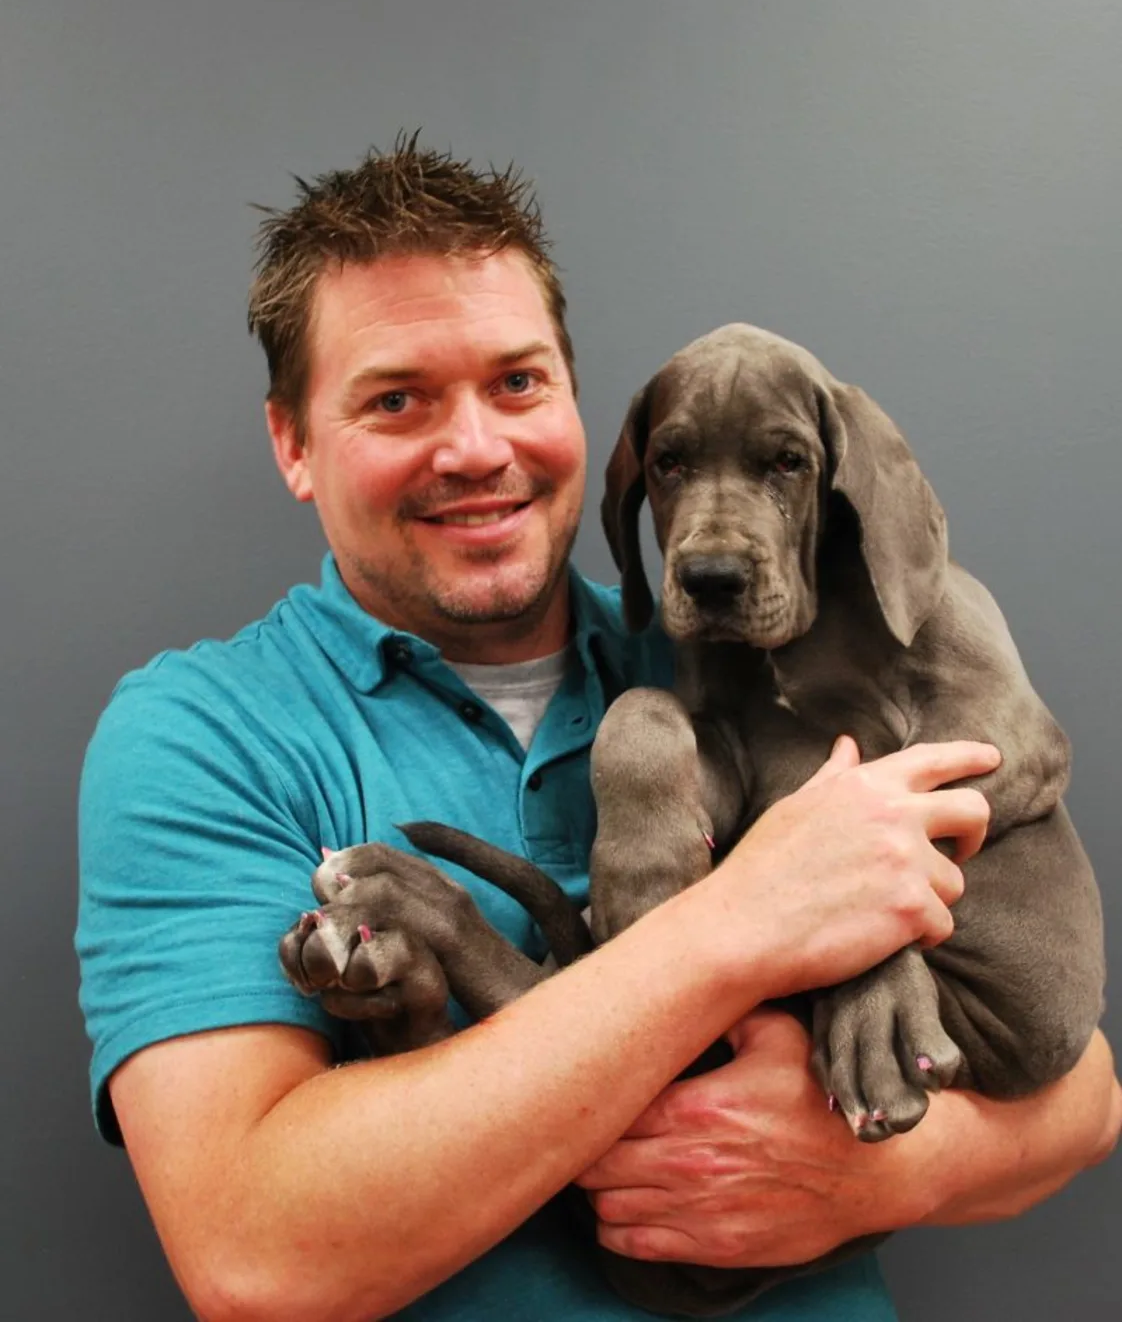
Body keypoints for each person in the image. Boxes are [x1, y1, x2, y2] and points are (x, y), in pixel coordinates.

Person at [77, 138, 1120, 1322]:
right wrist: (743, 920)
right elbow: (257, 1259)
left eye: (517, 381)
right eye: (396, 398)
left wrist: (877, 1167)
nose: (477, 446)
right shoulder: (204, 733)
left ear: (579, 405)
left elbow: (1086, 1096)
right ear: (293, 443)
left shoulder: (745, 657)